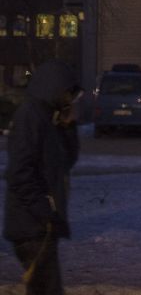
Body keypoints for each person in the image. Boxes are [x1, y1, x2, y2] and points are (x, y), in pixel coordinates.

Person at [3, 59, 81, 294]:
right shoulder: (31, 116)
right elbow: (19, 173)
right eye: (69, 93)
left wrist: (68, 128)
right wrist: (44, 213)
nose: (71, 99)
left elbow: (65, 163)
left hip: (41, 227)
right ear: (55, 88)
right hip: (31, 228)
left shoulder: (49, 118)